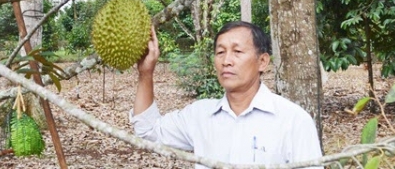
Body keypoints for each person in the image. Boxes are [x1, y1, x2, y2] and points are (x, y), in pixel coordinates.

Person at [130, 21, 324, 168]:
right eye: (220, 52)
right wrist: (146, 73)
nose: (226, 61)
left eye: (237, 51)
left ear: (262, 62)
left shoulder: (293, 121)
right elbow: (149, 131)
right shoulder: (199, 116)